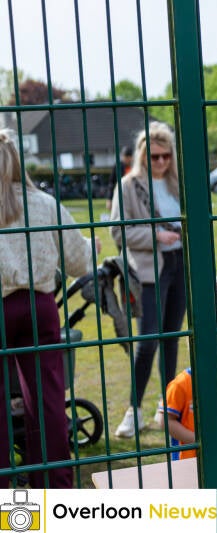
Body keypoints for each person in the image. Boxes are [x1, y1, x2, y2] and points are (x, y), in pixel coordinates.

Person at [0, 129, 97, 487]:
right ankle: (55, 488)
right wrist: (92, 246)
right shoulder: (44, 204)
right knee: (48, 400)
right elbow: (79, 261)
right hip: (39, 307)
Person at [111, 122, 187, 439]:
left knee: (172, 338)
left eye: (165, 156)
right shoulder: (129, 186)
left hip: (179, 264)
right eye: (154, 157)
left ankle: (167, 406)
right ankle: (134, 410)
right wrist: (157, 235)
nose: (160, 162)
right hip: (147, 269)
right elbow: (120, 231)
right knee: (148, 340)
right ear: (143, 155)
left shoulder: (176, 183)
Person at [160, 306, 217, 460]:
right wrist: (198, 441)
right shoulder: (181, 385)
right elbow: (166, 421)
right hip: (186, 462)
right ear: (211, 352)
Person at [106, 145, 133, 210]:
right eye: (125, 157)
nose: (127, 159)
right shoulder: (117, 166)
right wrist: (109, 199)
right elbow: (111, 183)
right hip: (120, 195)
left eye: (129, 157)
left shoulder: (136, 167)